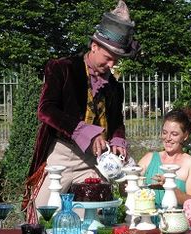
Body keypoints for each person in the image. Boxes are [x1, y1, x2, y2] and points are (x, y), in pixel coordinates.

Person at [23, 1, 140, 221]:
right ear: (94, 46)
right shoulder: (61, 68)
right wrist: (83, 130)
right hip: (62, 155)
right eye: (108, 58)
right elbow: (46, 110)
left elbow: (117, 122)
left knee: (90, 221)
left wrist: (117, 139)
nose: (112, 65)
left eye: (116, 60)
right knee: (39, 216)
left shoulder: (114, 86)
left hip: (96, 162)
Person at [138, 107, 191, 207]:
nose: (168, 138)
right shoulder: (149, 158)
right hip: (148, 221)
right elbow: (125, 190)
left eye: (174, 134)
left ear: (185, 136)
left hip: (177, 221)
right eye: (164, 132)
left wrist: (169, 187)